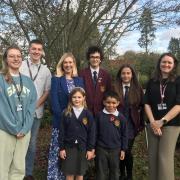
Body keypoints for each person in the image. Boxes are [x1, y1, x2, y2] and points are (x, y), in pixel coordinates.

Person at [0, 45, 37, 180]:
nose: (16, 59)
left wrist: (25, 128)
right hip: (5, 131)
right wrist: (15, 129)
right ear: (6, 59)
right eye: (11, 56)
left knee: (19, 168)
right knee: (2, 167)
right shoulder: (1, 79)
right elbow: (1, 109)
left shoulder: (28, 81)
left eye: (18, 56)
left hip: (24, 132)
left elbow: (31, 106)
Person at [47, 53, 84, 180]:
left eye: (70, 62)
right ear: (62, 64)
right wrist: (66, 119)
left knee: (73, 154)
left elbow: (82, 102)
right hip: (61, 123)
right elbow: (54, 102)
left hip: (76, 126)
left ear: (74, 64)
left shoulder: (79, 80)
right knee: (59, 152)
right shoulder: (56, 79)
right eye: (65, 62)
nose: (68, 65)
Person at [144, 52, 180, 180]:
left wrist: (162, 121)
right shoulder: (152, 81)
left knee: (164, 159)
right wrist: (153, 122)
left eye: (169, 62)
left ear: (174, 65)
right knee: (153, 158)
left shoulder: (178, 81)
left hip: (171, 125)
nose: (166, 64)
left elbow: (179, 105)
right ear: (159, 63)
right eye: (164, 62)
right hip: (153, 125)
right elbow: (146, 103)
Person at [20, 39, 52, 180]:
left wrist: (34, 105)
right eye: (34, 49)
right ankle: (16, 171)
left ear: (42, 52)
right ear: (29, 49)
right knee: (17, 141)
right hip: (18, 111)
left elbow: (47, 91)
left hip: (35, 113)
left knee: (31, 144)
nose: (36, 51)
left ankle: (28, 173)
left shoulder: (46, 71)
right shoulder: (20, 65)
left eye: (39, 49)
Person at [113, 64, 144, 180]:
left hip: (131, 125)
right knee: (119, 150)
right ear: (120, 75)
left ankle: (129, 175)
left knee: (126, 150)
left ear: (132, 75)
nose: (125, 75)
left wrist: (141, 124)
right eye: (123, 73)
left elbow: (143, 106)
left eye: (128, 73)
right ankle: (122, 174)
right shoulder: (114, 87)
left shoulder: (137, 88)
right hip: (116, 124)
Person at [59, 87, 95, 180]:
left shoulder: (88, 114)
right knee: (69, 173)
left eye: (79, 97)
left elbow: (92, 132)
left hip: (83, 148)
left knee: (80, 173)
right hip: (69, 148)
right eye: (74, 97)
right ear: (71, 98)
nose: (77, 99)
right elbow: (62, 132)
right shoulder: (66, 113)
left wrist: (90, 149)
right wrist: (62, 148)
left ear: (84, 98)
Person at [95, 91, 128, 180]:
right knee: (101, 172)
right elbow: (94, 132)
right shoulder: (99, 116)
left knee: (115, 172)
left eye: (113, 103)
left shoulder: (121, 118)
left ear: (118, 103)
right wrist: (93, 148)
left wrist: (123, 149)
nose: (111, 105)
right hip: (101, 148)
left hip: (115, 149)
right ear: (104, 102)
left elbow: (124, 135)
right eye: (108, 102)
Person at [79, 46, 112, 117]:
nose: (95, 59)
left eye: (97, 57)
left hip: (102, 113)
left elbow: (109, 93)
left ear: (100, 59)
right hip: (85, 112)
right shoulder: (81, 74)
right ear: (88, 59)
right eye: (92, 57)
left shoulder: (106, 75)